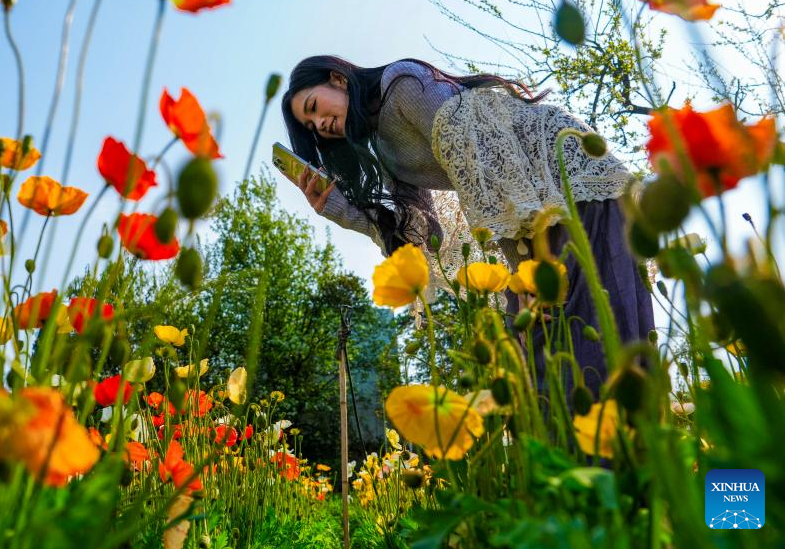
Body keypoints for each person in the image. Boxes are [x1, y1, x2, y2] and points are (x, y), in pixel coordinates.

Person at [280, 55, 655, 402]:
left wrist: (526, 275)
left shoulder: (401, 84)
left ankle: (622, 445)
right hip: (534, 209)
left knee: (588, 344)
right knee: (540, 353)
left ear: (338, 79)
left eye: (314, 107)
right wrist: (341, 211)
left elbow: (488, 160)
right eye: (311, 127)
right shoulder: (386, 148)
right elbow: (422, 237)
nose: (320, 125)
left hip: (568, 181)